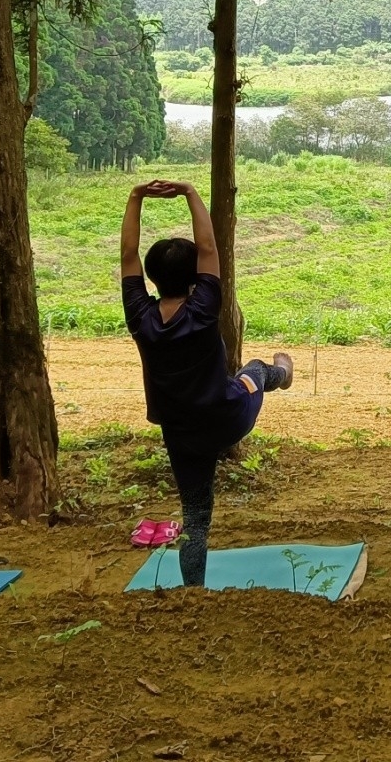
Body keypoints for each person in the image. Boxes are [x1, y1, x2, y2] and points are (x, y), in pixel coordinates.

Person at [120, 179, 293, 586]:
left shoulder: (140, 317)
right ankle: (283, 373)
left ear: (152, 277)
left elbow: (127, 255)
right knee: (255, 370)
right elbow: (210, 248)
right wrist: (190, 192)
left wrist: (136, 196)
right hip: (227, 415)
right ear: (195, 276)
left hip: (181, 434)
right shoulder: (202, 309)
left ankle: (193, 593)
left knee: (196, 518)